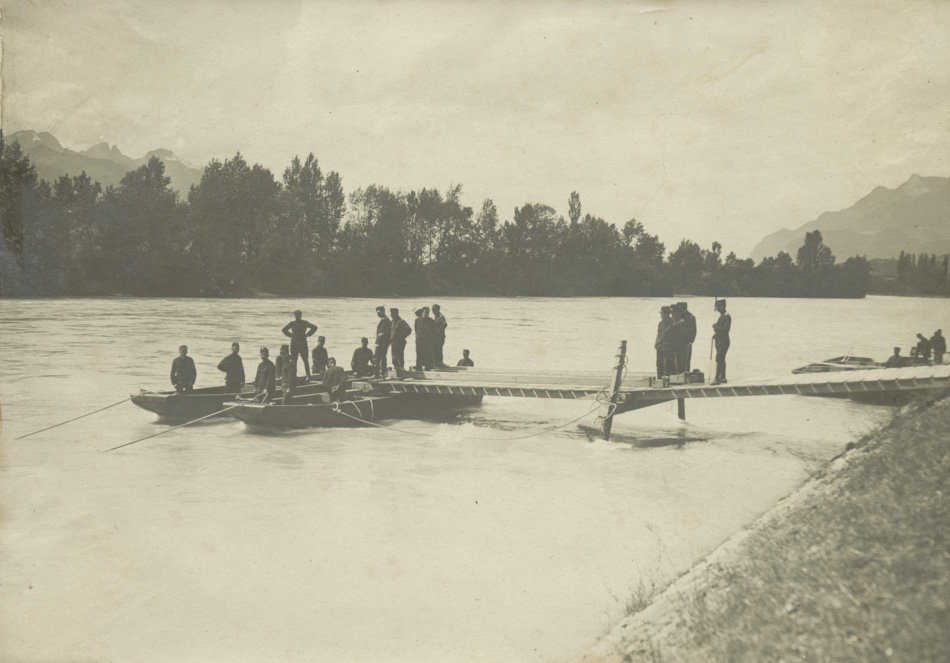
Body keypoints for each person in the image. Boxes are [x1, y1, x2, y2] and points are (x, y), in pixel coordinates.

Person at [282, 310, 318, 380]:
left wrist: (308, 334)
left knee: (305, 360)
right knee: (294, 361)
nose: (297, 316)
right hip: (294, 344)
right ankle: (294, 376)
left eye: (298, 315)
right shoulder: (292, 323)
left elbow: (315, 328)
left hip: (302, 344)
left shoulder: (305, 323)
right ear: (294, 316)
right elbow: (284, 330)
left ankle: (308, 376)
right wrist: (291, 336)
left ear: (301, 315)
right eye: (296, 315)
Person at [712, 299, 732, 385]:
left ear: (723, 306)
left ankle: (717, 378)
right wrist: (715, 334)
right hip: (719, 340)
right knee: (721, 358)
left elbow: (725, 330)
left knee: (719, 358)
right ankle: (723, 377)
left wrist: (715, 327)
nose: (717, 308)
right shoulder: (722, 316)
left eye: (718, 306)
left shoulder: (727, 317)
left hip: (723, 341)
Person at [666, 304, 689, 375]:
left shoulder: (681, 322)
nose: (671, 314)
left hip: (679, 345)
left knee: (679, 363)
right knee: (671, 363)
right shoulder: (672, 321)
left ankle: (679, 376)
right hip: (671, 345)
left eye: (673, 312)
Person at [654, 306, 673, 378]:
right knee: (659, 366)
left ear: (666, 314)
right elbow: (659, 334)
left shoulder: (672, 323)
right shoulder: (660, 323)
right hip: (659, 348)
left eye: (662, 314)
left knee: (668, 367)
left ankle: (667, 381)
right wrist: (656, 343)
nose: (661, 316)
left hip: (668, 348)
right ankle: (659, 380)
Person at [678, 302, 697, 371]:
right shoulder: (678, 316)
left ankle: (686, 373)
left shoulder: (690, 317)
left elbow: (694, 330)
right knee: (679, 359)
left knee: (686, 359)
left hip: (686, 341)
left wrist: (691, 341)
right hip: (678, 341)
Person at [374, 306, 391, 378]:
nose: (378, 314)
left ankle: (377, 374)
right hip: (384, 342)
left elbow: (382, 333)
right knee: (382, 357)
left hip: (382, 342)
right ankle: (382, 373)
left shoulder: (385, 320)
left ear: (383, 311)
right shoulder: (385, 319)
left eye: (379, 312)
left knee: (377, 358)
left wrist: (377, 342)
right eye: (377, 312)